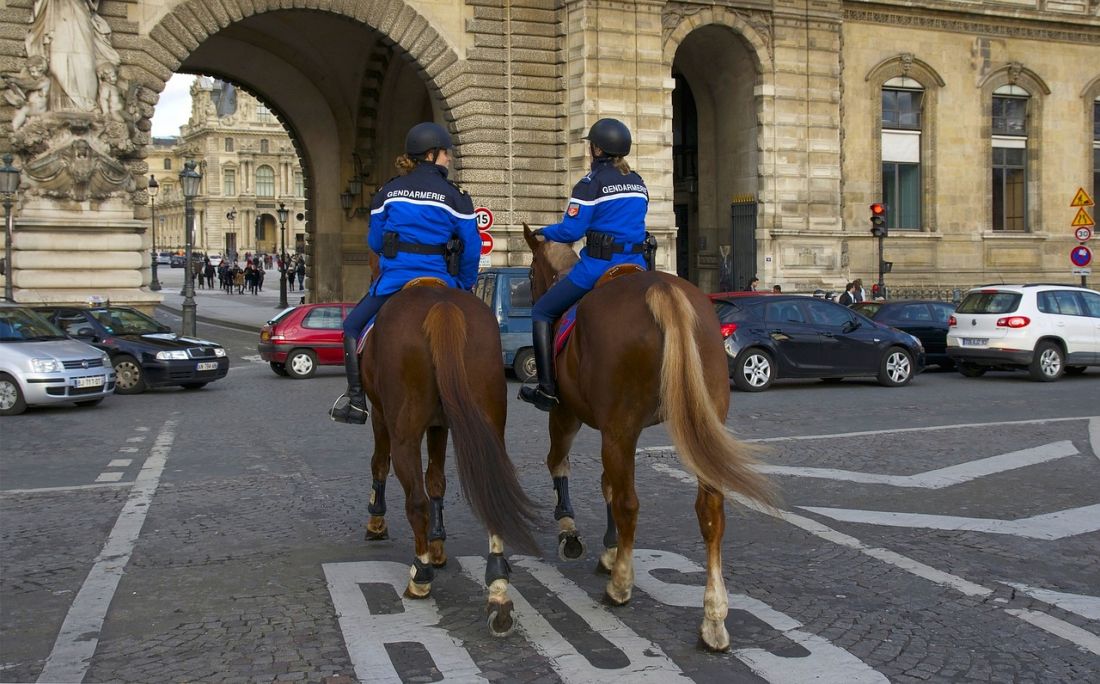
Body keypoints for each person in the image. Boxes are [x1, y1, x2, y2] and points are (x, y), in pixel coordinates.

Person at [329, 122, 480, 424]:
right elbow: (472, 247)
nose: (449, 159)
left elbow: (374, 242)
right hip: (443, 280)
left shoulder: (387, 192)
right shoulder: (456, 196)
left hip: (395, 282)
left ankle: (357, 399)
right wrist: (464, 283)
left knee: (351, 328)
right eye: (446, 154)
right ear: (432, 154)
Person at [518, 118, 649, 412]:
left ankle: (547, 389)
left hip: (599, 267)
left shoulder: (591, 184)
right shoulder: (638, 182)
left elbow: (571, 232)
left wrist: (544, 231)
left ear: (597, 149)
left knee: (541, 311)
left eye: (591, 145)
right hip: (638, 265)